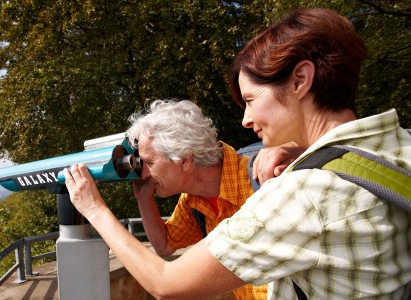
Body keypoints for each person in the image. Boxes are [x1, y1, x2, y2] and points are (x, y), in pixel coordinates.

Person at [63, 8, 411, 299]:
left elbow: (166, 284)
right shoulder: (395, 144)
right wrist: (300, 148)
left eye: (250, 100)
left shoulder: (296, 191)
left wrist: (94, 208)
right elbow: (166, 245)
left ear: (300, 80)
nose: (245, 119)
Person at [126, 99, 301, 299]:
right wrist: (143, 199)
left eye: (149, 162)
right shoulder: (192, 202)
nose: (144, 173)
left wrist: (294, 147)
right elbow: (164, 245)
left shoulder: (264, 175)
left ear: (184, 160)